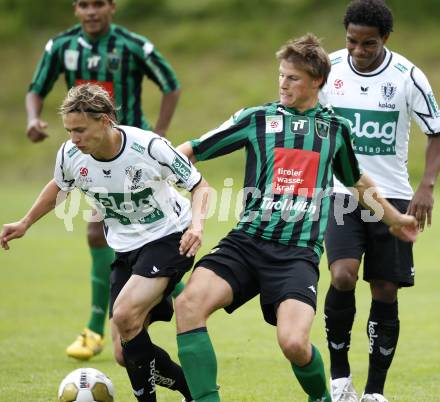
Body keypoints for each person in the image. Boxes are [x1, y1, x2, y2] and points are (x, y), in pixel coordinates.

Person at [173, 33, 417, 402]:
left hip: (296, 255)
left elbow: (355, 181)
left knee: (293, 343)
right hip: (246, 242)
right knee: (189, 305)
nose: (283, 84)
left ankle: (320, 397)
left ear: (317, 81)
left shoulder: (334, 130)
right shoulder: (257, 118)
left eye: (293, 78)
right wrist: (152, 169)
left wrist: (395, 219)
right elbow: (191, 150)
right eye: (281, 76)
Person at [3, 84, 209, 401]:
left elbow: (200, 186)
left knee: (125, 315)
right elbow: (59, 186)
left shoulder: (149, 147)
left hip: (171, 238)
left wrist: (197, 225)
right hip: (126, 249)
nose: (74, 139)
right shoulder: (70, 154)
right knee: (123, 351)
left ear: (106, 120)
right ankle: (193, 392)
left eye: (81, 130)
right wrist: (25, 222)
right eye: (70, 130)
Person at [26, 0, 181, 360]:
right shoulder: (61, 47)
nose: (91, 11)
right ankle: (99, 327)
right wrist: (33, 119)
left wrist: (158, 133)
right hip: (93, 160)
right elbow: (36, 88)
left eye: (98, 3)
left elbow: (171, 84)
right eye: (83, 4)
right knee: (102, 231)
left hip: (135, 158)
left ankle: (159, 293)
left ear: (112, 7)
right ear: (75, 9)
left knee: (141, 229)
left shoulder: (133, 46)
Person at [319, 1, 440, 402]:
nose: (358, 51)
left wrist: (426, 186)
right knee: (341, 276)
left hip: (393, 195)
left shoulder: (408, 76)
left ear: (385, 39)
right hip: (341, 194)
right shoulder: (329, 69)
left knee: (386, 288)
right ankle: (339, 380)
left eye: (368, 44)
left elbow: (435, 131)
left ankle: (374, 391)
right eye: (352, 41)